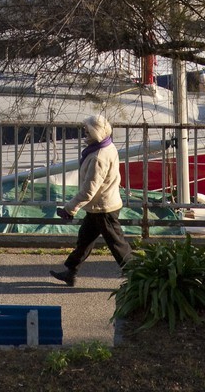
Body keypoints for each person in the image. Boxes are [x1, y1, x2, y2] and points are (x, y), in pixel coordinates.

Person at [49, 112, 131, 286]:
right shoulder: (108, 146)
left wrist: (69, 209)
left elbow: (88, 191)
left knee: (117, 245)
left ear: (95, 133)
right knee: (84, 240)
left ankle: (136, 276)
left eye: (87, 131)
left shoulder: (98, 157)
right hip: (101, 204)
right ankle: (70, 271)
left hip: (103, 208)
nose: (85, 134)